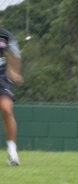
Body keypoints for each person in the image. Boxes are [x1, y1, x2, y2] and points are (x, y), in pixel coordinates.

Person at [0, 26, 23, 166]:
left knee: (7, 109)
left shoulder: (6, 35)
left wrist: (14, 71)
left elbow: (15, 54)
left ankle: (12, 152)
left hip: (2, 78)